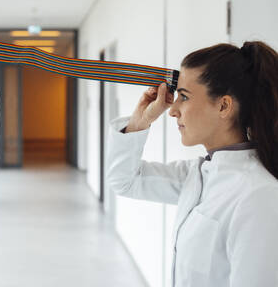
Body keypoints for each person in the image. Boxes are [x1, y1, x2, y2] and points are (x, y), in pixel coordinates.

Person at [107, 41, 278, 286]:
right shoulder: (198, 174)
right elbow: (124, 181)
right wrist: (141, 119)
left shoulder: (258, 197)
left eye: (184, 97)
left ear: (223, 106)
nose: (172, 109)